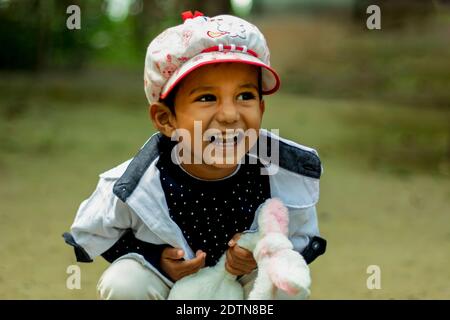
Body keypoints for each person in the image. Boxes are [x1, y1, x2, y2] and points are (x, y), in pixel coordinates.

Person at [63, 11, 326, 300]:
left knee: (284, 287)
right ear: (166, 119)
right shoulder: (136, 183)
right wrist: (152, 257)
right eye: (206, 98)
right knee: (125, 282)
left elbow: (300, 242)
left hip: (244, 285)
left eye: (245, 96)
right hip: (168, 283)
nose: (229, 114)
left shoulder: (282, 171)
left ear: (261, 109)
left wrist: (260, 254)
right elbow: (95, 233)